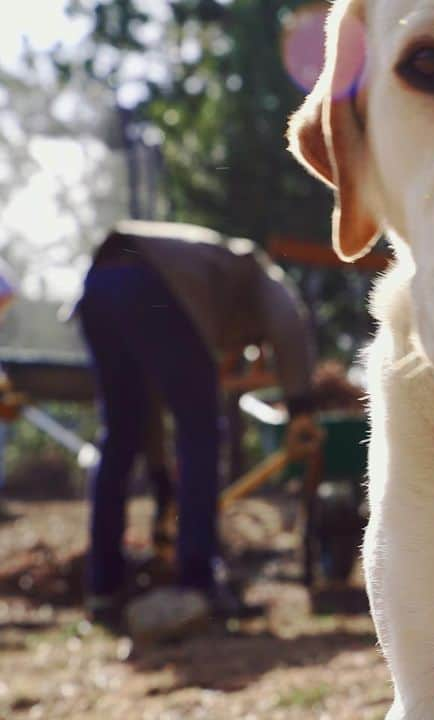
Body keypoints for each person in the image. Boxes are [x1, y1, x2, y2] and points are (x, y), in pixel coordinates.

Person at [76, 220, 319, 637]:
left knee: (119, 434)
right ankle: (197, 579)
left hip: (97, 285)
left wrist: (160, 479)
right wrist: (300, 407)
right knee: (203, 430)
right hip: (150, 282)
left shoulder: (205, 283)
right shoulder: (254, 269)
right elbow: (290, 320)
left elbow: (148, 410)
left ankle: (104, 586)